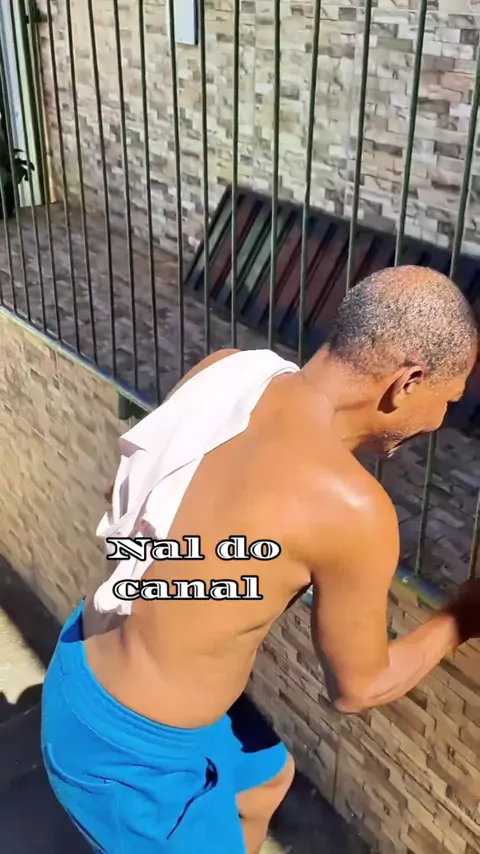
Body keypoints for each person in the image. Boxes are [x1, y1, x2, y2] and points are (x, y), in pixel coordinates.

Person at [41, 266, 479, 854]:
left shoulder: (228, 370)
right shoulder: (354, 509)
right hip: (130, 760)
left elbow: (126, 499)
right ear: (407, 383)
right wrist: (462, 617)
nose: (441, 420)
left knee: (264, 780)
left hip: (82, 656)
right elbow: (359, 688)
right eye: (448, 400)